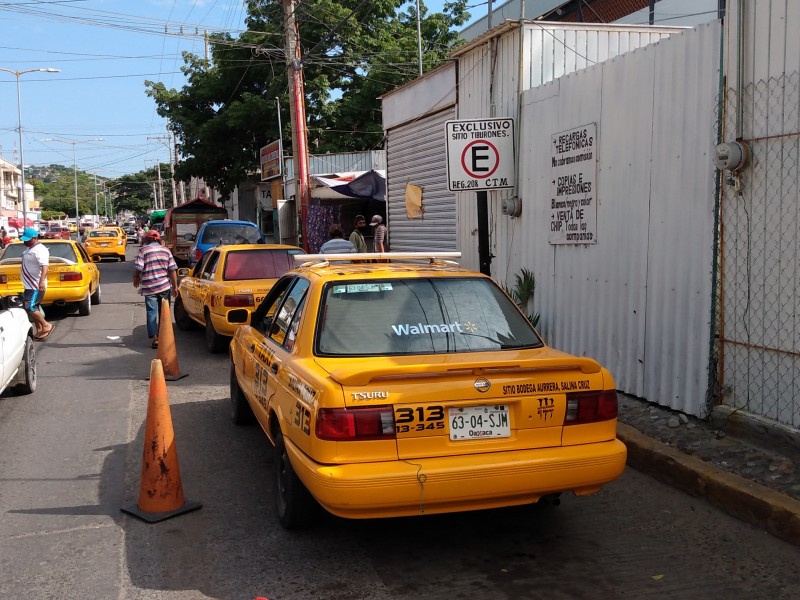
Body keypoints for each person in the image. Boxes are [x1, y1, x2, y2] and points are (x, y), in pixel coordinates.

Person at [133, 230, 178, 349]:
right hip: (164, 286)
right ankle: (165, 337)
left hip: (149, 287)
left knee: (151, 312)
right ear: (158, 239)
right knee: (164, 312)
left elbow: (139, 267)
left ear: (147, 239)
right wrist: (175, 287)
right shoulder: (166, 250)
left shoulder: (143, 250)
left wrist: (136, 277)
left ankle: (155, 338)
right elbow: (172, 270)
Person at [19, 227, 54, 340]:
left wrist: (41, 282)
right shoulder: (29, 249)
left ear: (34, 238)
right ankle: (39, 330)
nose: (25, 242)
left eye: (27, 239)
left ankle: (46, 325)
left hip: (35, 285)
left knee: (30, 307)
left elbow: (45, 267)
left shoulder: (40, 249)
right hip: (28, 285)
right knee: (33, 307)